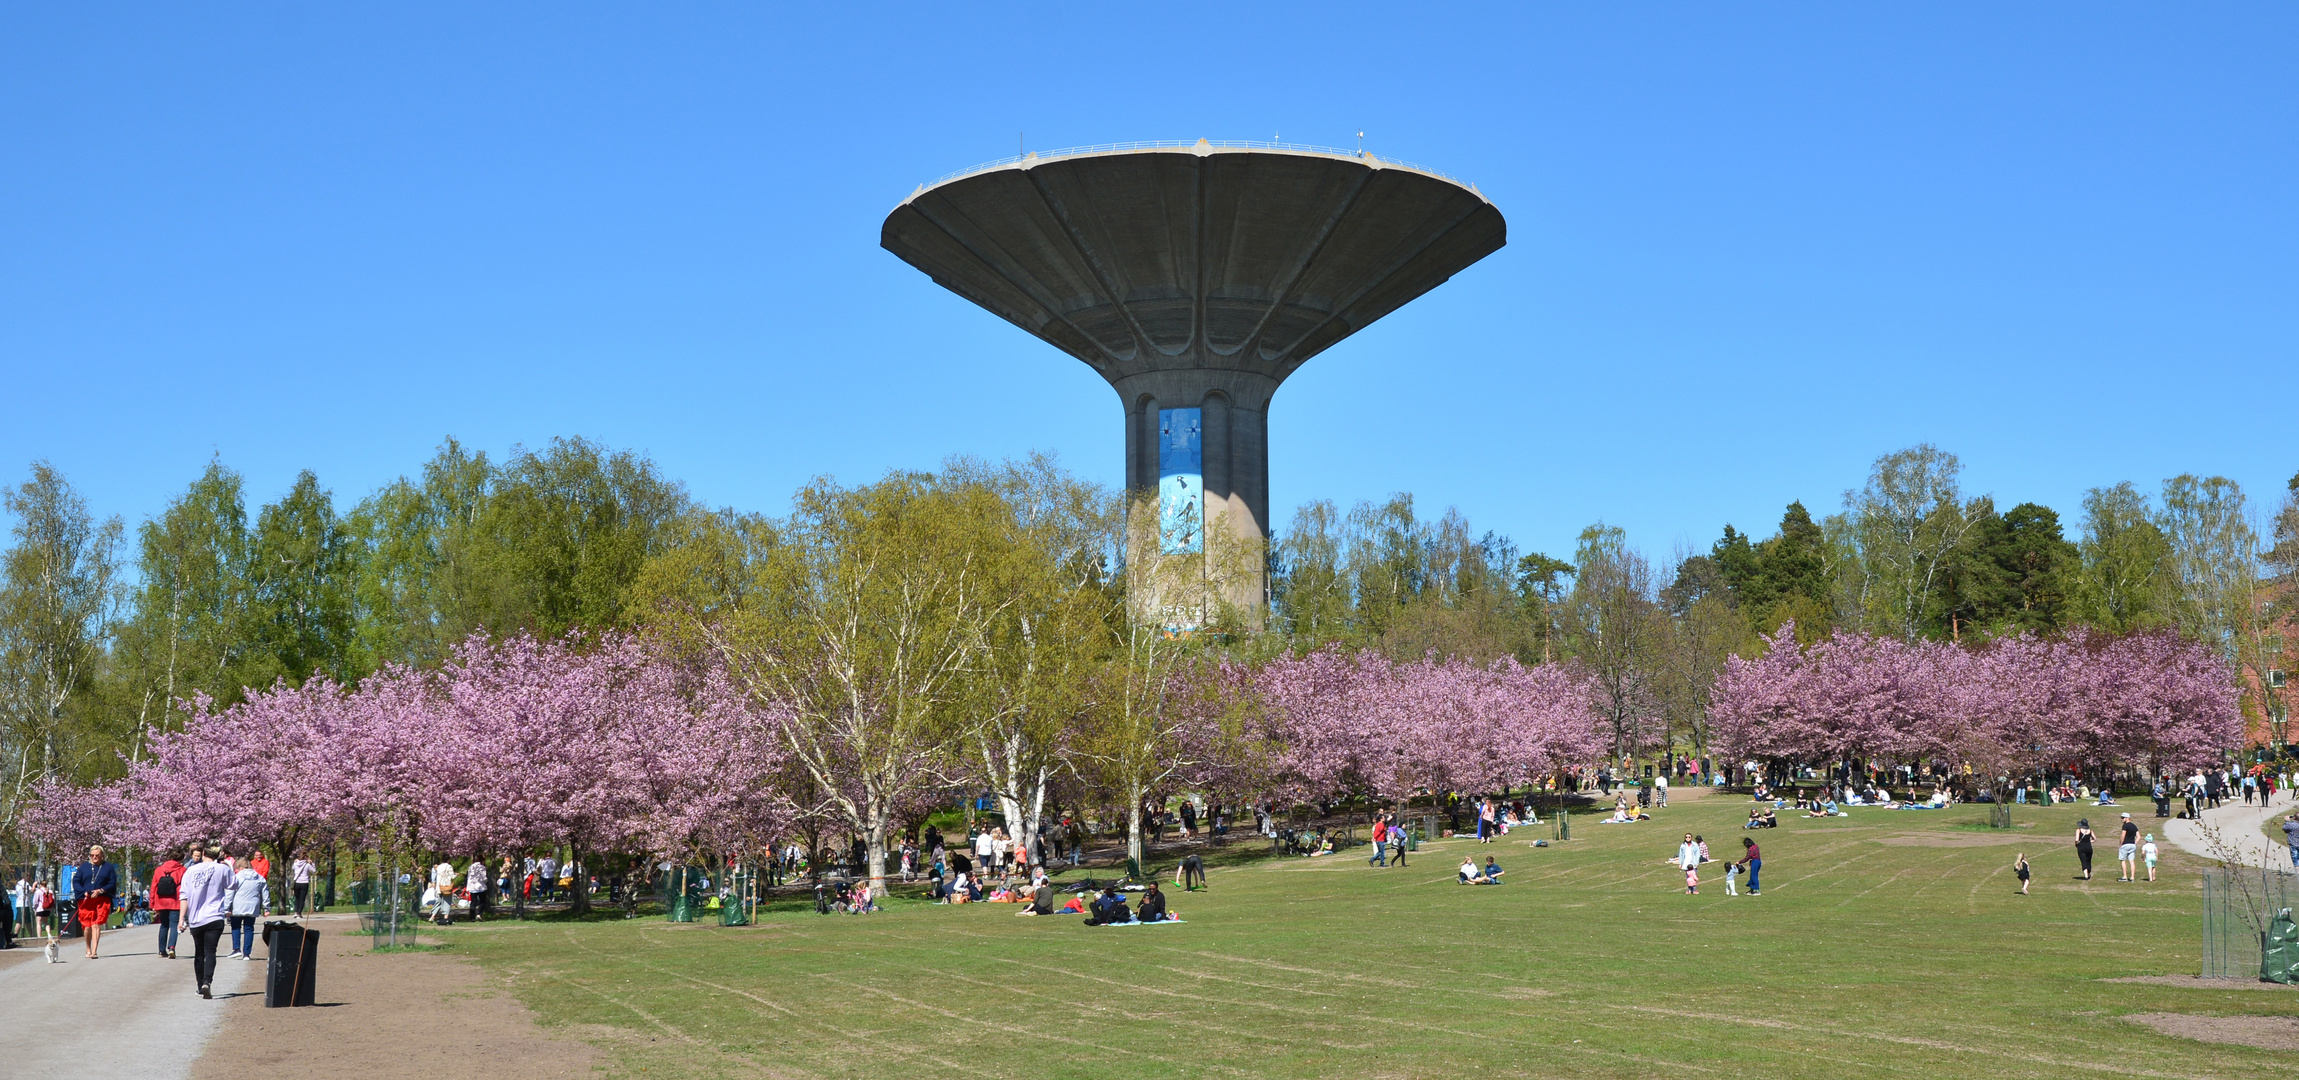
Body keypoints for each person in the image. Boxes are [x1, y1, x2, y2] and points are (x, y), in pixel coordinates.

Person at [180, 844, 232, 999]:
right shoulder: (222, 869)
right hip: (215, 916)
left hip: (196, 918)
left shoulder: (190, 871)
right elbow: (233, 884)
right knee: (211, 951)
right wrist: (226, 864)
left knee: (199, 952)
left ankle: (199, 985)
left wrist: (182, 918)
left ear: (203, 853)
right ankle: (207, 982)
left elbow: (184, 896)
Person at [75, 844, 118, 960]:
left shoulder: (108, 867)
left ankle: (94, 951)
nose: (94, 857)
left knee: (96, 924)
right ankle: (88, 948)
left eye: (97, 855)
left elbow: (112, 883)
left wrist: (101, 890)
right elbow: (76, 881)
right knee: (87, 926)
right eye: (92, 855)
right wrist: (83, 891)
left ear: (102, 855)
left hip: (101, 900)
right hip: (86, 900)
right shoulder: (84, 867)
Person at [227, 851, 267, 960]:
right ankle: (247, 954)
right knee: (249, 929)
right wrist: (266, 907)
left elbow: (230, 893)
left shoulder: (236, 878)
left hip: (238, 906)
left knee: (236, 927)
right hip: (252, 907)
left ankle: (236, 949)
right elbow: (265, 892)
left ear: (240, 867)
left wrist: (226, 908)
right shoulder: (259, 878)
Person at [151, 851, 187, 959]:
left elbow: (153, 887)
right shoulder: (182, 870)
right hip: (175, 901)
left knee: (164, 926)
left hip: (161, 901)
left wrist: (152, 903)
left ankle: (161, 950)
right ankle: (171, 947)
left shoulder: (159, 869)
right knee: (174, 925)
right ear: (181, 859)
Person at [2116, 813, 2139, 882]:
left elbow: (2123, 836)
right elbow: (2139, 836)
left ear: (2127, 818)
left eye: (2123, 818)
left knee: (2123, 860)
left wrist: (2120, 844)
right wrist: (2134, 843)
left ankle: (2124, 876)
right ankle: (2132, 877)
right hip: (2132, 845)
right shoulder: (2134, 826)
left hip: (2125, 844)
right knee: (2131, 861)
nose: (2122, 819)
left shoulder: (2125, 826)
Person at [466, 856, 490, 921]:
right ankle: (479, 914)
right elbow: (484, 878)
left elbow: (469, 877)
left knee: (473, 902)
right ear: (482, 861)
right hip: (480, 887)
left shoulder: (470, 867)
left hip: (472, 887)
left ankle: (472, 917)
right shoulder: (482, 867)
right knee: (483, 902)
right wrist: (486, 881)